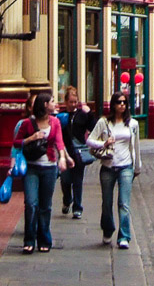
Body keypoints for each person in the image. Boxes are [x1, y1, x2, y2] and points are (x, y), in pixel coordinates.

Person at [13, 92, 71, 254]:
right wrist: (31, 138)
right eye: (52, 101)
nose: (55, 104)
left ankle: (44, 239)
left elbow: (59, 141)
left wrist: (62, 158)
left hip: (49, 168)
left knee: (45, 206)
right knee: (31, 203)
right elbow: (16, 143)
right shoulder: (27, 123)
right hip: (31, 167)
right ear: (45, 105)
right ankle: (29, 239)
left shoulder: (55, 122)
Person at [91, 92, 142, 249]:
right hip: (108, 167)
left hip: (125, 167)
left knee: (123, 203)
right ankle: (108, 229)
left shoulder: (132, 124)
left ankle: (124, 236)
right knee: (107, 202)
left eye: (124, 102)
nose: (122, 105)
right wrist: (103, 144)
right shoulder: (104, 122)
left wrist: (137, 166)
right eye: (119, 102)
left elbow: (136, 146)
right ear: (113, 104)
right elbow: (90, 140)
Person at [58, 88, 95, 219]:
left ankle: (77, 207)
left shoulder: (82, 115)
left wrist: (89, 113)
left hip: (79, 152)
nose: (73, 104)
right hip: (65, 152)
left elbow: (94, 126)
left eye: (75, 102)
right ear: (66, 102)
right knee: (65, 179)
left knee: (77, 180)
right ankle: (67, 200)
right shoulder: (61, 116)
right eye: (71, 102)